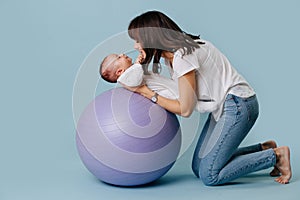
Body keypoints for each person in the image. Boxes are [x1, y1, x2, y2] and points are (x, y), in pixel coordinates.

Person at [125, 10, 292, 185]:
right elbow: (181, 92)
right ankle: (265, 149)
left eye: (138, 40)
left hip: (239, 105)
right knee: (199, 168)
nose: (136, 46)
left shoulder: (183, 56)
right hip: (226, 105)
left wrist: (147, 93)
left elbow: (185, 108)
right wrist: (140, 65)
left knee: (210, 175)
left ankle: (276, 156)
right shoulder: (177, 53)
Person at [99, 53, 178, 99]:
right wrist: (137, 64)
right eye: (119, 57)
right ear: (120, 71)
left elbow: (139, 72)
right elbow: (135, 81)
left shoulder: (133, 71)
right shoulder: (124, 79)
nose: (122, 54)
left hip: (171, 86)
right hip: (169, 94)